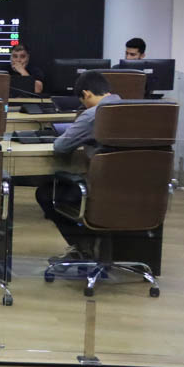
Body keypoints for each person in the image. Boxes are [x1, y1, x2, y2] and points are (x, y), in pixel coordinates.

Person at [33, 70, 122, 256]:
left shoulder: (93, 115)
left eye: (82, 101)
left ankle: (83, 245)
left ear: (86, 94)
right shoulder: (134, 109)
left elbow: (61, 147)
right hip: (140, 191)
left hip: (100, 190)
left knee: (46, 193)